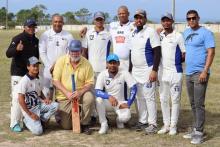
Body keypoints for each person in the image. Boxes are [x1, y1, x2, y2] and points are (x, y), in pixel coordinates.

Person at [182, 10, 215, 144]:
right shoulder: (186, 32)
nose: (191, 21)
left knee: (199, 103)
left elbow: (211, 52)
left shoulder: (206, 33)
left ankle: (199, 132)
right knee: (193, 103)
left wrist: (205, 71)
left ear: (198, 18)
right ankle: (196, 128)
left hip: (200, 73)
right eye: (189, 19)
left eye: (193, 18)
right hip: (188, 72)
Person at [52, 40, 95, 135]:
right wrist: (67, 93)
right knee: (67, 127)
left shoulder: (87, 64)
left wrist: (80, 92)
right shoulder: (61, 61)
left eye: (77, 51)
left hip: (80, 94)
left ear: (81, 51)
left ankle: (85, 123)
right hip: (64, 97)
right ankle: (60, 115)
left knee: (89, 97)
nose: (75, 53)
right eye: (72, 51)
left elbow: (90, 83)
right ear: (68, 51)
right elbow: (55, 81)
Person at [130, 9, 161, 134]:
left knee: (149, 97)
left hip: (147, 69)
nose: (138, 20)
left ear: (145, 19)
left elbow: (157, 52)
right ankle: (143, 121)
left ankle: (152, 123)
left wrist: (154, 70)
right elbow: (132, 52)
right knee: (139, 97)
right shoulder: (133, 33)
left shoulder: (150, 32)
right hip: (136, 70)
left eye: (141, 18)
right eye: (136, 18)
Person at [6, 18, 39, 132]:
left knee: (29, 98)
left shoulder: (36, 41)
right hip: (18, 73)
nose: (31, 28)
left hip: (30, 74)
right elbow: (8, 54)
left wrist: (36, 74)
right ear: (24, 27)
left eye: (33, 26)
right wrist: (16, 49)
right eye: (29, 26)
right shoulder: (18, 38)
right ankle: (14, 123)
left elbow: (36, 58)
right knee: (16, 97)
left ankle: (26, 120)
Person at [80, 5, 134, 71]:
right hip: (115, 62)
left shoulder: (133, 26)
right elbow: (99, 26)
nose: (121, 15)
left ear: (128, 14)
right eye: (120, 14)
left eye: (123, 13)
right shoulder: (113, 26)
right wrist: (86, 28)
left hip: (128, 62)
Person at [157, 13, 185, 135]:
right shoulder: (160, 35)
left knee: (175, 100)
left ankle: (173, 125)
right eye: (164, 21)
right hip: (162, 72)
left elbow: (184, 54)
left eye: (168, 20)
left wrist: (177, 64)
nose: (166, 23)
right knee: (163, 99)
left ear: (172, 21)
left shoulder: (178, 36)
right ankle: (166, 124)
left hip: (175, 72)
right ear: (162, 22)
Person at [95, 54, 137, 134]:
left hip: (120, 103)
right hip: (108, 102)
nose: (112, 65)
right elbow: (97, 91)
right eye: (110, 63)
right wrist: (108, 96)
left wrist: (128, 103)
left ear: (118, 63)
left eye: (114, 63)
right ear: (107, 64)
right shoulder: (102, 74)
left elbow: (134, 87)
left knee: (125, 118)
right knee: (98, 100)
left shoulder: (124, 73)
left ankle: (118, 120)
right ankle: (104, 124)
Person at [18, 56, 59, 136]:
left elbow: (39, 92)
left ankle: (42, 119)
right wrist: (30, 114)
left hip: (39, 106)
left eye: (37, 66)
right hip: (29, 110)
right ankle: (26, 121)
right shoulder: (24, 81)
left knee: (56, 105)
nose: (36, 68)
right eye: (34, 66)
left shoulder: (39, 78)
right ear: (28, 67)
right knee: (38, 132)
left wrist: (45, 99)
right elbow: (20, 99)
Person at [39, 14, 73, 99]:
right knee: (47, 95)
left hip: (63, 69)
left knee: (61, 95)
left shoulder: (69, 36)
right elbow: (42, 52)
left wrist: (59, 66)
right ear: (52, 22)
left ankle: (60, 112)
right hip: (48, 70)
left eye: (60, 22)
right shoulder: (45, 35)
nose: (57, 24)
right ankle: (48, 111)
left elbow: (70, 53)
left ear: (63, 23)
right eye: (55, 21)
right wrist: (50, 66)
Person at [82, 11, 111, 80]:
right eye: (97, 19)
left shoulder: (109, 34)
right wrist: (85, 66)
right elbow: (84, 51)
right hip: (91, 68)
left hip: (104, 69)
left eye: (101, 19)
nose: (99, 21)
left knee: (102, 90)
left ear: (104, 20)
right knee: (91, 90)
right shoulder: (88, 33)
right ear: (94, 20)